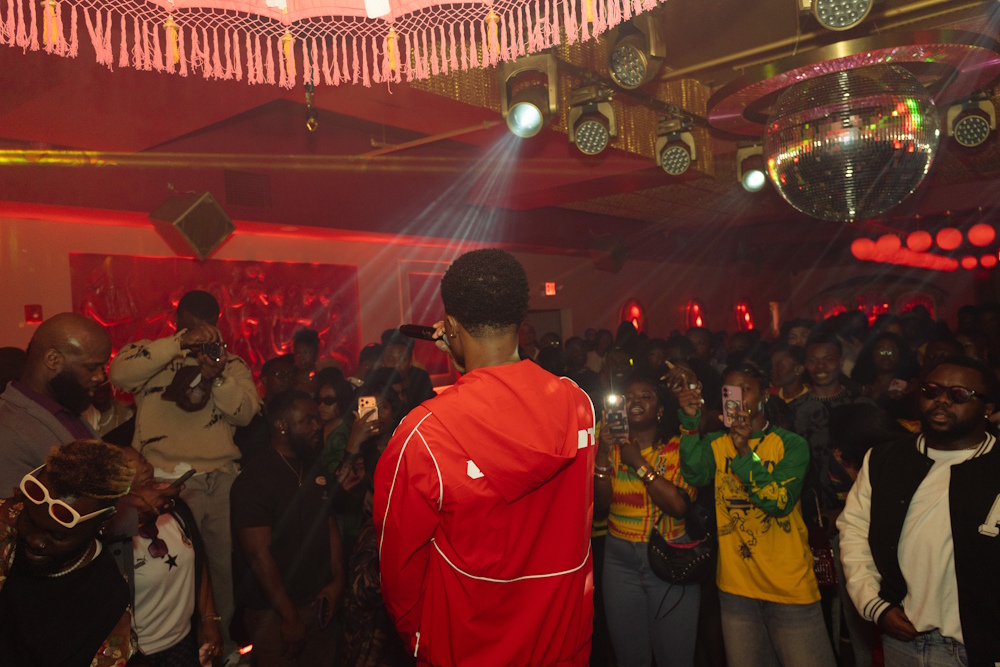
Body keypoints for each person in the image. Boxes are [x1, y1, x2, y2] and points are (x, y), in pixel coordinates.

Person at [374, 248, 596, 666]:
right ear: (520, 320)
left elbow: (399, 570)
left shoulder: (424, 435)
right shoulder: (578, 404)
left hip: (466, 650)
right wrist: (466, 361)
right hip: (563, 644)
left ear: (451, 326)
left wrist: (421, 642)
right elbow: (510, 410)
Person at [108, 289, 260, 652]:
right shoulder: (154, 354)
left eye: (207, 328)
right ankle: (170, 648)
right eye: (192, 328)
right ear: (177, 322)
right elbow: (119, 374)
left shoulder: (231, 363)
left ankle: (221, 649)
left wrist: (217, 377)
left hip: (220, 478)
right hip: (164, 480)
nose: (201, 335)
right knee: (170, 570)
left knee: (221, 571)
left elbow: (245, 414)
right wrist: (178, 344)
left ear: (217, 324)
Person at [838, 356, 1000, 667]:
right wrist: (874, 603)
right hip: (903, 641)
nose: (941, 400)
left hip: (981, 647)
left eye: (958, 394)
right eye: (931, 390)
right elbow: (854, 532)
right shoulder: (884, 459)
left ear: (987, 408)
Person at [677, 363, 835, 667]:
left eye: (745, 389)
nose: (737, 397)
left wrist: (743, 453)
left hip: (789, 589)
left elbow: (778, 503)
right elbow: (694, 473)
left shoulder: (792, 445)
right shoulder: (716, 443)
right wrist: (690, 421)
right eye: (729, 391)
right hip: (736, 589)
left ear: (765, 395)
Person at [230, 390, 344, 666]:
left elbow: (329, 525)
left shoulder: (314, 468)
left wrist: (338, 582)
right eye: (307, 420)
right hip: (275, 614)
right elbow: (258, 554)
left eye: (317, 419)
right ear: (281, 425)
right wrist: (289, 615)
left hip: (320, 604)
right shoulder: (254, 480)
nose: (317, 426)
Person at [0, 439, 136, 665]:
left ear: (102, 523)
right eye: (30, 520)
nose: (34, 541)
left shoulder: (107, 600)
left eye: (57, 535)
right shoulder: (5, 521)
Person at [594, 374, 699, 667]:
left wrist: (639, 463)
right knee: (630, 657)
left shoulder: (677, 446)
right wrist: (602, 452)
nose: (635, 402)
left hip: (669, 554)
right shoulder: (611, 446)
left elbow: (678, 506)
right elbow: (600, 505)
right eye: (628, 397)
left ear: (660, 409)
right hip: (619, 559)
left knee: (675, 657)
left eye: (645, 396)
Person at [108, 445, 224, 666]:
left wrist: (209, 620)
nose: (145, 468)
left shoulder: (175, 510)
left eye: (143, 460)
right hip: (139, 655)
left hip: (183, 643)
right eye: (129, 466)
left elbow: (198, 564)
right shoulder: (112, 535)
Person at [0, 312, 111, 494]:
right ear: (52, 359)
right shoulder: (6, 427)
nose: (100, 377)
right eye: (91, 368)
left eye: (103, 368)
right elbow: (17, 509)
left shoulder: (67, 408)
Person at [379, 334, 435, 415]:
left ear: (410, 362)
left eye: (402, 360)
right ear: (383, 363)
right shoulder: (377, 384)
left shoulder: (420, 379)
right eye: (391, 360)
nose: (397, 365)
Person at [292, 328, 321, 394]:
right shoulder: (290, 379)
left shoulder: (321, 379)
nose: (302, 358)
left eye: (306, 353)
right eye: (298, 354)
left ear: (316, 355)